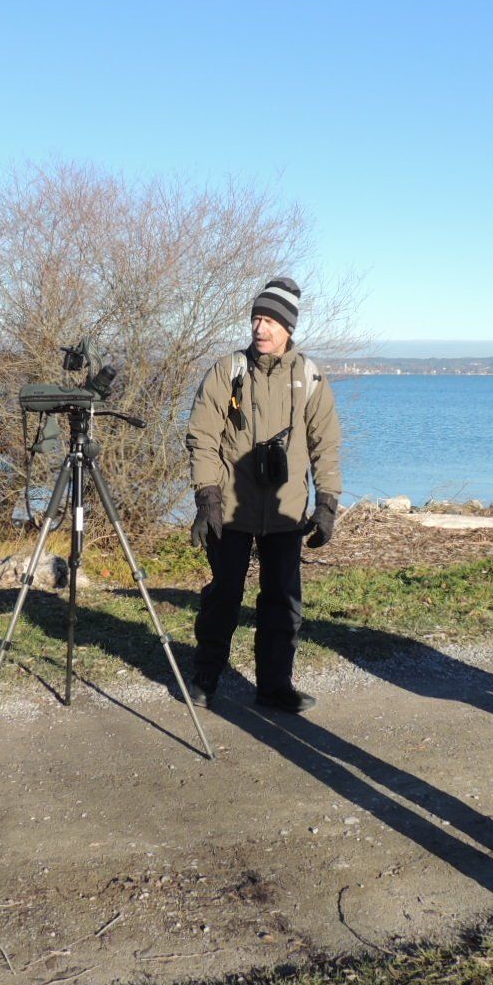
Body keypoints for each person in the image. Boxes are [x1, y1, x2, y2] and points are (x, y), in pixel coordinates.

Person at [184, 277, 343, 713]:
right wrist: (207, 499)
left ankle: (274, 686)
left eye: (270, 320)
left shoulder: (309, 376)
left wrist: (327, 504)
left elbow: (326, 444)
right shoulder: (229, 370)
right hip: (231, 508)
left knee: (282, 601)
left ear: (288, 328)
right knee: (223, 596)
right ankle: (205, 677)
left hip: (286, 511)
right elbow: (202, 437)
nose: (260, 328)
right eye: (256, 318)